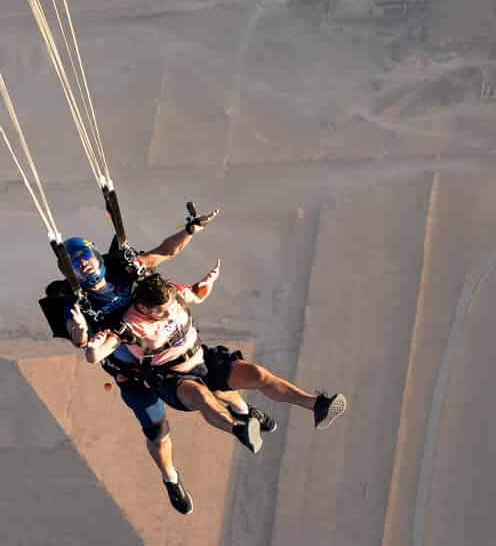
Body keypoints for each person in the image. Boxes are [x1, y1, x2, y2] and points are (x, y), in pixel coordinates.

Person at [47, 209, 275, 515]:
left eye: (84, 256)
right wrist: (80, 328)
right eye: (75, 263)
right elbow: (81, 340)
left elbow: (165, 252)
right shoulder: (75, 303)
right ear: (70, 272)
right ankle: (171, 479)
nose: (83, 263)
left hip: (165, 352)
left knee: (211, 382)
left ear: (94, 254)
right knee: (157, 430)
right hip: (133, 373)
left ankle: (244, 412)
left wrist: (190, 230)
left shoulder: (126, 269)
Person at [84, 269, 347, 504]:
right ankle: (234, 431)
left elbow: (195, 295)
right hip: (173, 377)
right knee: (199, 398)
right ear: (143, 307)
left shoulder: (171, 295)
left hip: (202, 359)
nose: (167, 313)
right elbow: (100, 352)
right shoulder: (129, 324)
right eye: (161, 312)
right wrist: (94, 348)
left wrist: (207, 281)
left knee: (255, 374)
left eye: (168, 307)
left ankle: (316, 404)